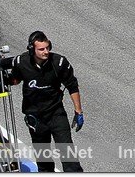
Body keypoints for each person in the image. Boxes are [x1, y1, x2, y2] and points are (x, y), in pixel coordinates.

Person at [12, 31, 84, 172]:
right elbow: (15, 80)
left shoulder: (59, 62)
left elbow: (72, 86)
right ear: (32, 49)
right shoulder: (21, 62)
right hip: (35, 116)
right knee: (43, 157)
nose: (46, 51)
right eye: (41, 49)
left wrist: (78, 111)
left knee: (67, 152)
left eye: (47, 47)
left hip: (56, 113)